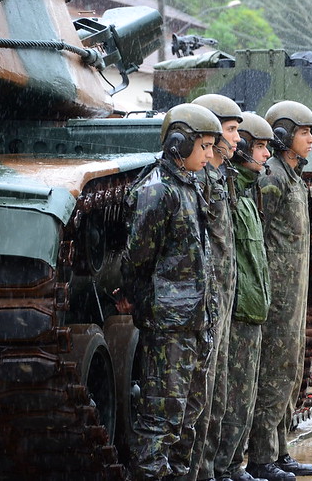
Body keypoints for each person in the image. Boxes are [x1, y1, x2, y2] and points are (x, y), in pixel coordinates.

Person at [117, 103, 221, 480]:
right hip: (170, 326)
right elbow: (137, 259)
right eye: (204, 146)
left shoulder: (188, 185)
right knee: (160, 420)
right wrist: (139, 298)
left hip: (194, 320)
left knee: (187, 418)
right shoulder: (158, 190)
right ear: (179, 143)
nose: (209, 155)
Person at [247, 101, 312, 481]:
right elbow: (258, 235)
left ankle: (280, 450)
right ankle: (261, 458)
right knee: (274, 373)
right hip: (276, 295)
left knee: (289, 372)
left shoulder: (293, 177)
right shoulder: (272, 177)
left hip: (294, 294)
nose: (311, 140)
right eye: (305, 133)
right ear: (284, 134)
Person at [184, 94, 244, 481]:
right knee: (201, 391)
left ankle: (211, 467)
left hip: (222, 295)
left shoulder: (221, 176)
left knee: (217, 389)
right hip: (203, 298)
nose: (237, 138)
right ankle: (197, 469)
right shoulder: (198, 180)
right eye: (231, 130)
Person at [213, 112, 274, 481]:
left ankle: (232, 464)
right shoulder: (225, 188)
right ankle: (222, 466)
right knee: (229, 398)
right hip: (233, 312)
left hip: (249, 309)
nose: (266, 154)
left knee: (243, 396)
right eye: (261, 146)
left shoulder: (245, 192)